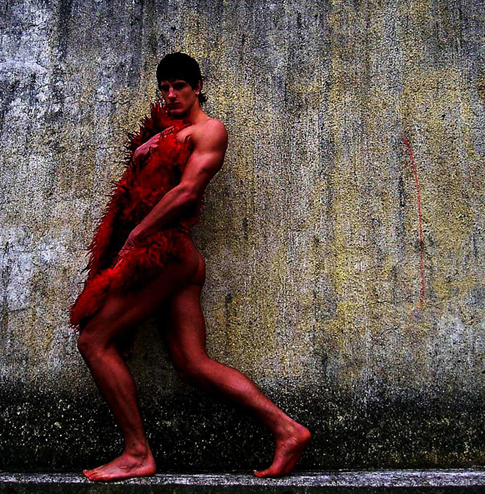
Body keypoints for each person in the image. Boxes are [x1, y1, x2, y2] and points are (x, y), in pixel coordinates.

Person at [69, 52, 311, 482]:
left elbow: (186, 193)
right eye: (164, 87)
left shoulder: (209, 130)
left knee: (94, 339)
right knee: (191, 363)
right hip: (176, 259)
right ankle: (287, 430)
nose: (170, 94)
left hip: (165, 253)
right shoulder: (164, 133)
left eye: (179, 85)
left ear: (198, 87)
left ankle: (137, 453)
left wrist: (136, 236)